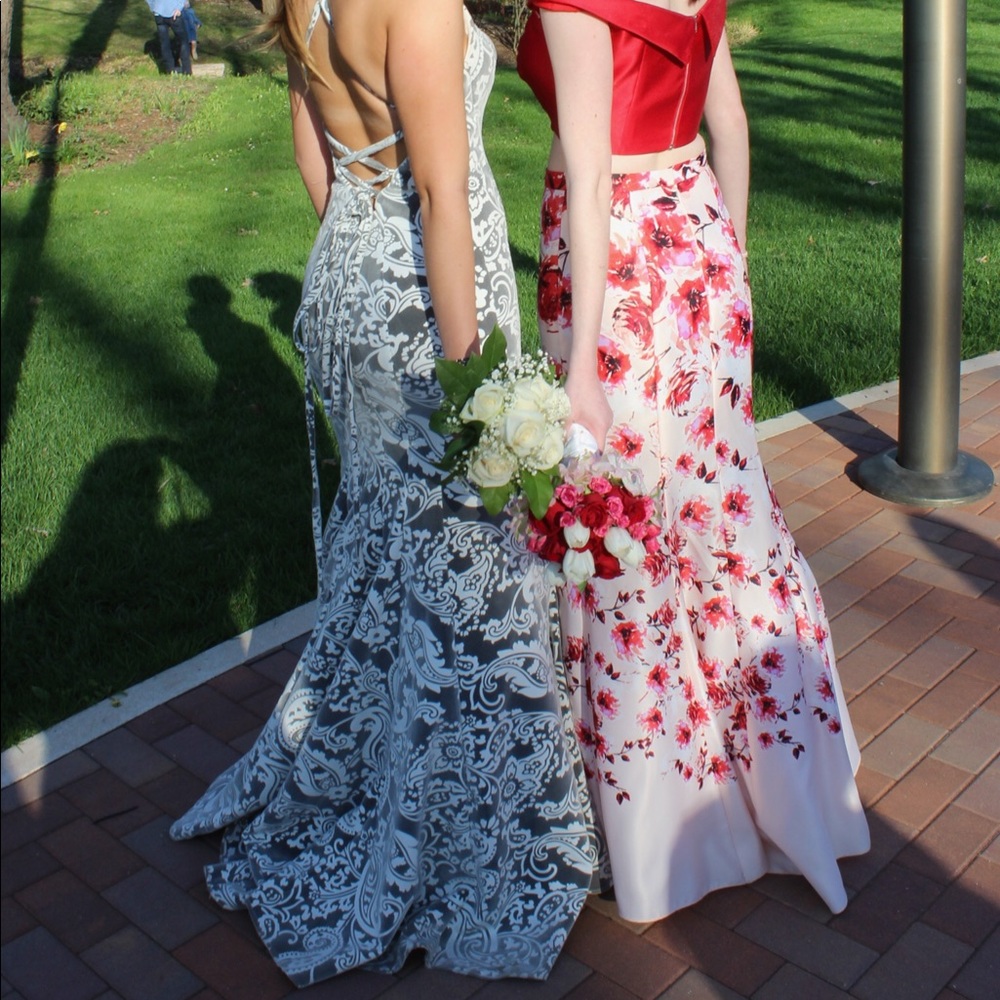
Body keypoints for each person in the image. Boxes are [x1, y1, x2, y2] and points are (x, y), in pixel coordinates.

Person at [169, 0, 598, 986]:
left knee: (384, 554)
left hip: (350, 286)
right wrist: (472, 385)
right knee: (468, 571)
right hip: (438, 310)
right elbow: (445, 197)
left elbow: (318, 167)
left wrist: (360, 268)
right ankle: (472, 832)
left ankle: (366, 772)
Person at [517, 0, 870, 923]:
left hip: (621, 264)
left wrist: (585, 361)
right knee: (722, 514)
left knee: (624, 528)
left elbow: (590, 181)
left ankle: (661, 830)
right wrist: (729, 261)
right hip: (701, 239)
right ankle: (793, 787)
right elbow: (732, 128)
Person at [145, 0, 192, 75]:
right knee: (183, 41)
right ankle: (187, 70)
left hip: (159, 14)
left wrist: (154, 8)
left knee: (164, 43)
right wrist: (179, 8)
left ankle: (169, 70)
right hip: (174, 13)